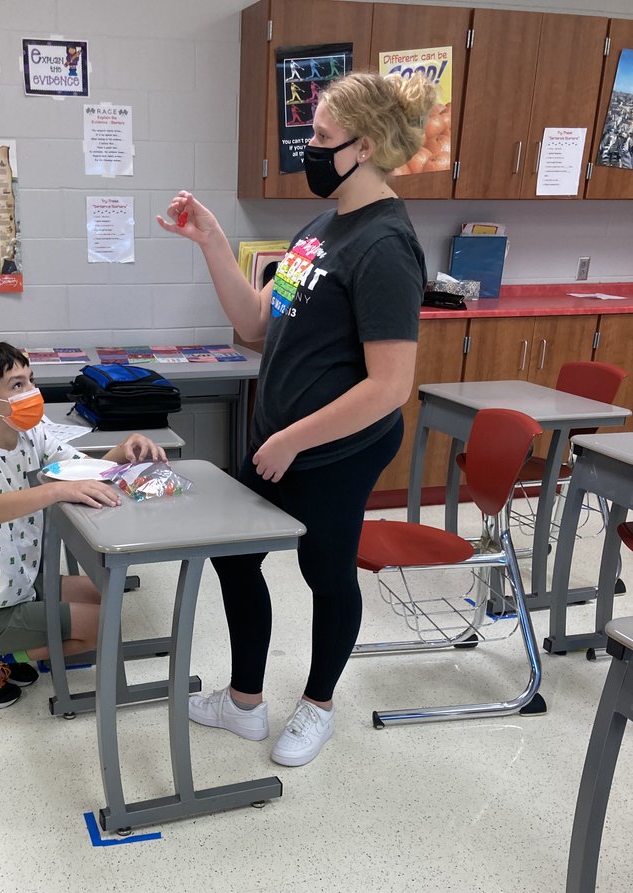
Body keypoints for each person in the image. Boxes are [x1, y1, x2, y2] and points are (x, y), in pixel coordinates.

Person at [157, 70, 435, 767]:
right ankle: (244, 705)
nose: (307, 148)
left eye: (320, 136)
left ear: (363, 147)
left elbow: (390, 386)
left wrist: (293, 438)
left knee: (326, 571)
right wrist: (212, 239)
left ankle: (317, 708)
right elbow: (256, 324)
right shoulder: (320, 228)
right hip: (279, 438)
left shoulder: (386, 247)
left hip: (336, 449)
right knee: (235, 552)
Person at [0, 341, 167, 710]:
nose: (32, 393)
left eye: (31, 380)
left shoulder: (35, 435)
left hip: (22, 584)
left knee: (105, 594)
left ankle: (11, 653)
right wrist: (57, 489)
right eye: (17, 386)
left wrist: (124, 450)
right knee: (98, 625)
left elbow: (81, 470)